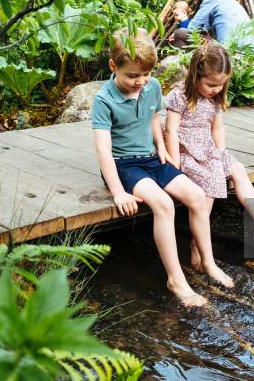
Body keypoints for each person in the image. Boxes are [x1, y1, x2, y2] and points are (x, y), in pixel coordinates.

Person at [92, 28, 234, 308]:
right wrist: (119, 192)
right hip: (124, 165)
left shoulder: (152, 87)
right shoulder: (103, 100)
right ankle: (176, 280)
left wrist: (162, 148)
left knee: (195, 195)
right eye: (133, 76)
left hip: (152, 158)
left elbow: (154, 119)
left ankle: (207, 261)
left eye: (145, 75)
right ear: (113, 66)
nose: (140, 82)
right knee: (164, 205)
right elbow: (103, 151)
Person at [164, 42, 254, 271]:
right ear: (195, 75)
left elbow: (217, 128)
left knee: (236, 169)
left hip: (208, 149)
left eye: (221, 84)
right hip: (185, 150)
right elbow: (171, 130)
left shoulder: (215, 98)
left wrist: (220, 153)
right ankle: (197, 246)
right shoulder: (180, 94)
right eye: (211, 84)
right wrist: (175, 165)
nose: (216, 89)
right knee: (207, 186)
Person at [173, 0, 254, 48]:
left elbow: (192, 28)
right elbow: (206, 28)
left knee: (179, 33)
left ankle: (182, 60)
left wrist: (182, 22)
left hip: (228, 52)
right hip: (246, 52)